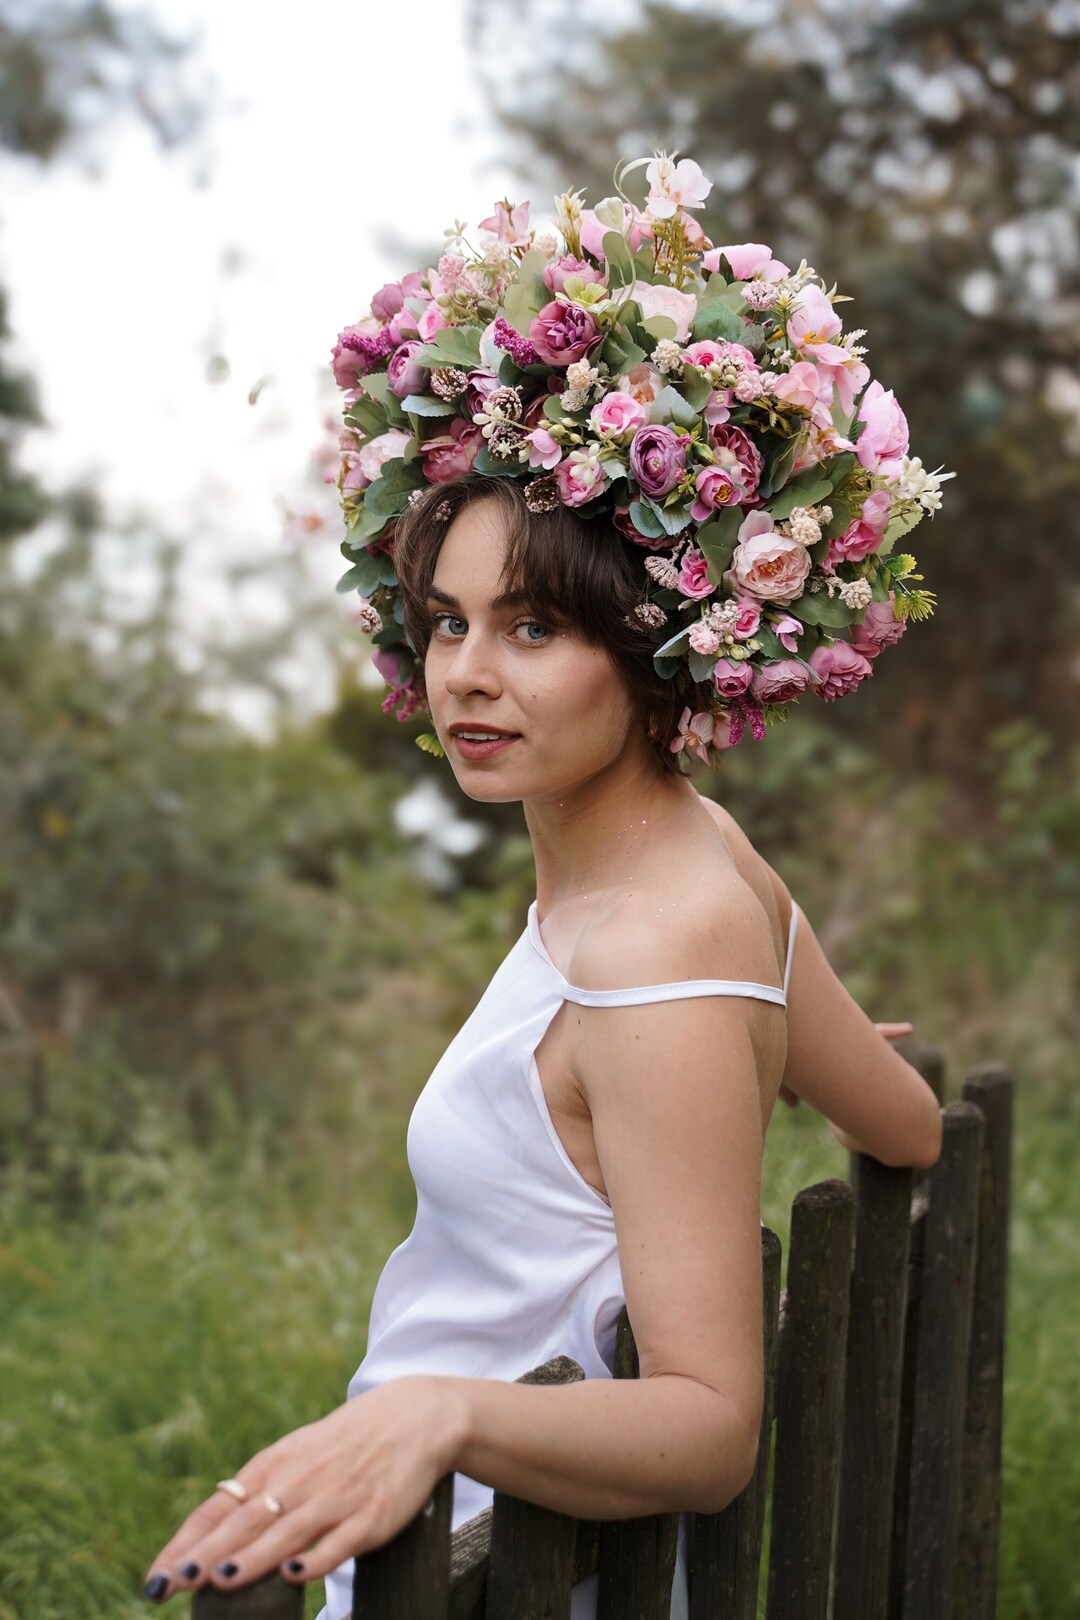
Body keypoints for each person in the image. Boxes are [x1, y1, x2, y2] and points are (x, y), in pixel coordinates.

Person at [142, 474, 943, 1616]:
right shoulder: (698, 852)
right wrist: (778, 1047)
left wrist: (438, 1411)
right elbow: (910, 1126)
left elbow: (712, 1427)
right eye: (447, 622)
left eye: (532, 627)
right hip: (464, 1539)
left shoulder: (655, 955)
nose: (465, 671)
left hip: (495, 1564)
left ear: (652, 647)